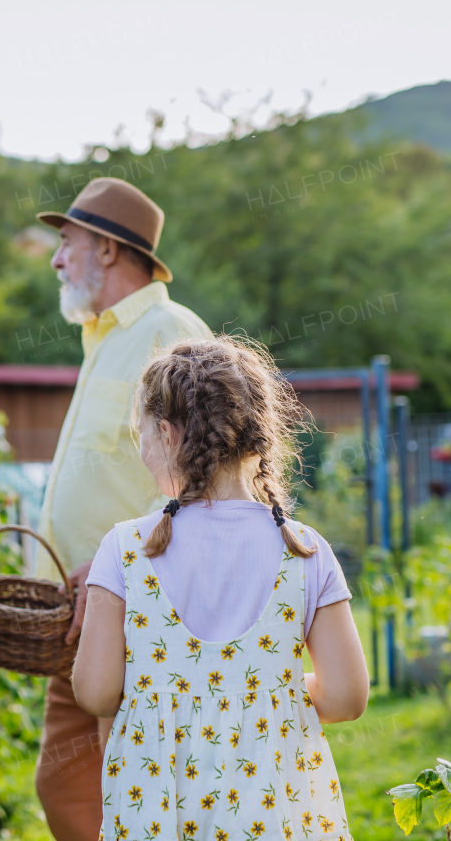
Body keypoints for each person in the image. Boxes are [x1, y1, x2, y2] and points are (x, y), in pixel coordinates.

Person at [71, 336, 370, 841]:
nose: (141, 449)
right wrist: (261, 696)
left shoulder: (127, 549)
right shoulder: (304, 550)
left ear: (166, 434)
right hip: (274, 813)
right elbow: (345, 697)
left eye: (139, 434)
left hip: (159, 810)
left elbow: (97, 691)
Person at [33, 178, 210, 841]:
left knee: (127, 785)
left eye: (66, 242)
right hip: (85, 612)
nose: (57, 259)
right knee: (75, 783)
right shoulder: (104, 337)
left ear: (106, 249)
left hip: (137, 611)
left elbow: (202, 484)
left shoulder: (172, 333)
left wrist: (121, 570)